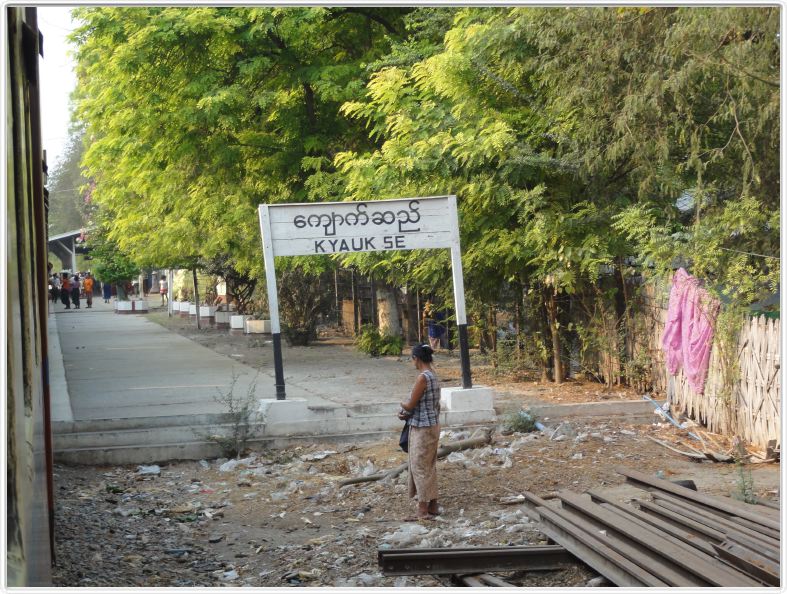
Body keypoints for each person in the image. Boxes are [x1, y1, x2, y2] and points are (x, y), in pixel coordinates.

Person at [398, 343, 441, 520]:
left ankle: (422, 510)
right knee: (429, 466)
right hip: (433, 425)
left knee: (419, 467)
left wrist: (402, 407)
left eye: (412, 359)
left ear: (416, 358)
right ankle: (433, 505)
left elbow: (410, 404)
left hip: (422, 428)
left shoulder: (422, 378)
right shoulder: (434, 376)